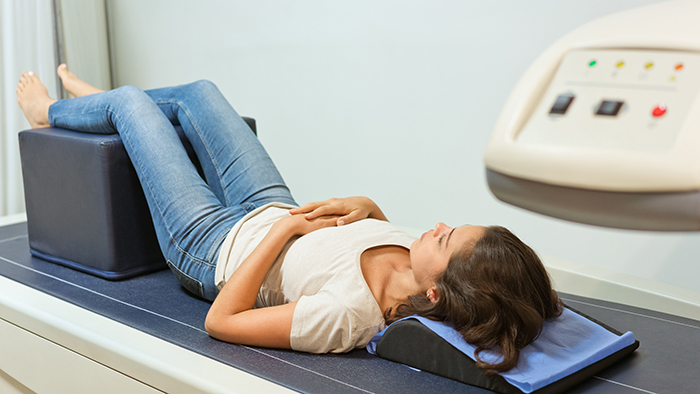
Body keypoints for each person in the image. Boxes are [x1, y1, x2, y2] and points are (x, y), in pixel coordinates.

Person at [16, 66, 563, 373]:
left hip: (211, 244)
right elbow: (371, 241)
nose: (438, 225)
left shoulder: (349, 317)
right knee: (202, 91)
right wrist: (368, 209)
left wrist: (280, 232)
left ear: (438, 294)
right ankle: (116, 110)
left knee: (133, 101)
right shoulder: (416, 265)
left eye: (445, 240)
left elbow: (223, 322)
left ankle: (64, 113)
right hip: (274, 204)